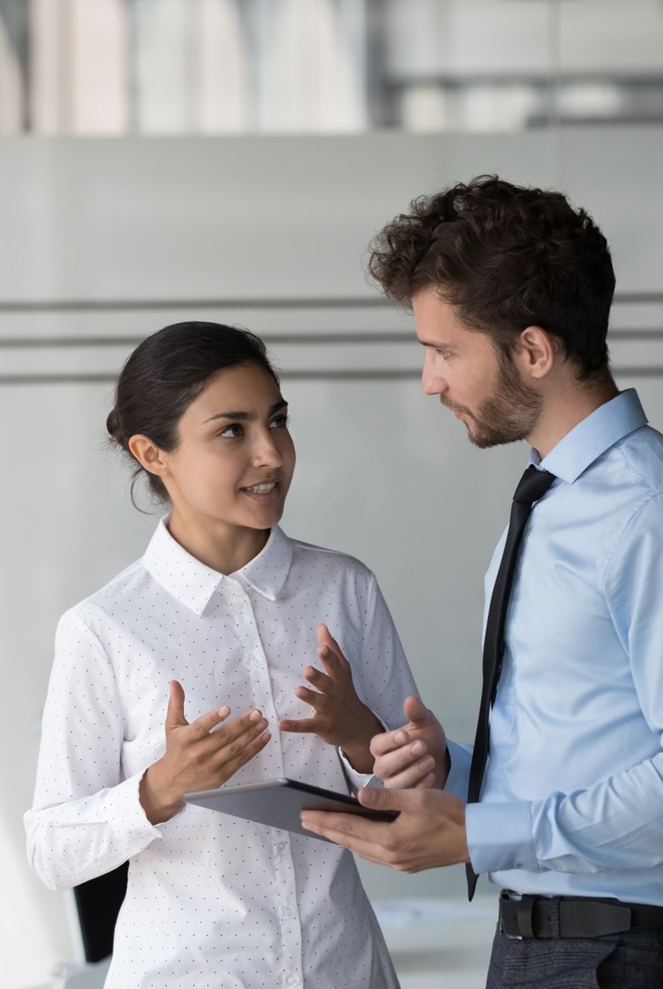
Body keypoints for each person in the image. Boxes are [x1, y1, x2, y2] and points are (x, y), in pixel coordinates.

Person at [301, 176, 663, 989]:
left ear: (534, 350)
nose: (429, 381)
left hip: (627, 958)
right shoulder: (555, 504)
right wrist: (452, 771)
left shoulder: (661, 518)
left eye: (445, 351)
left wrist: (482, 834)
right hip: (548, 948)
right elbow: (580, 755)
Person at [25, 321, 417, 989]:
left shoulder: (345, 590)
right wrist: (159, 788)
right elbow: (52, 851)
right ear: (154, 454)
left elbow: (417, 808)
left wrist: (360, 736)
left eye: (278, 421)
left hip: (343, 969)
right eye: (232, 431)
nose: (271, 454)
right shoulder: (105, 628)